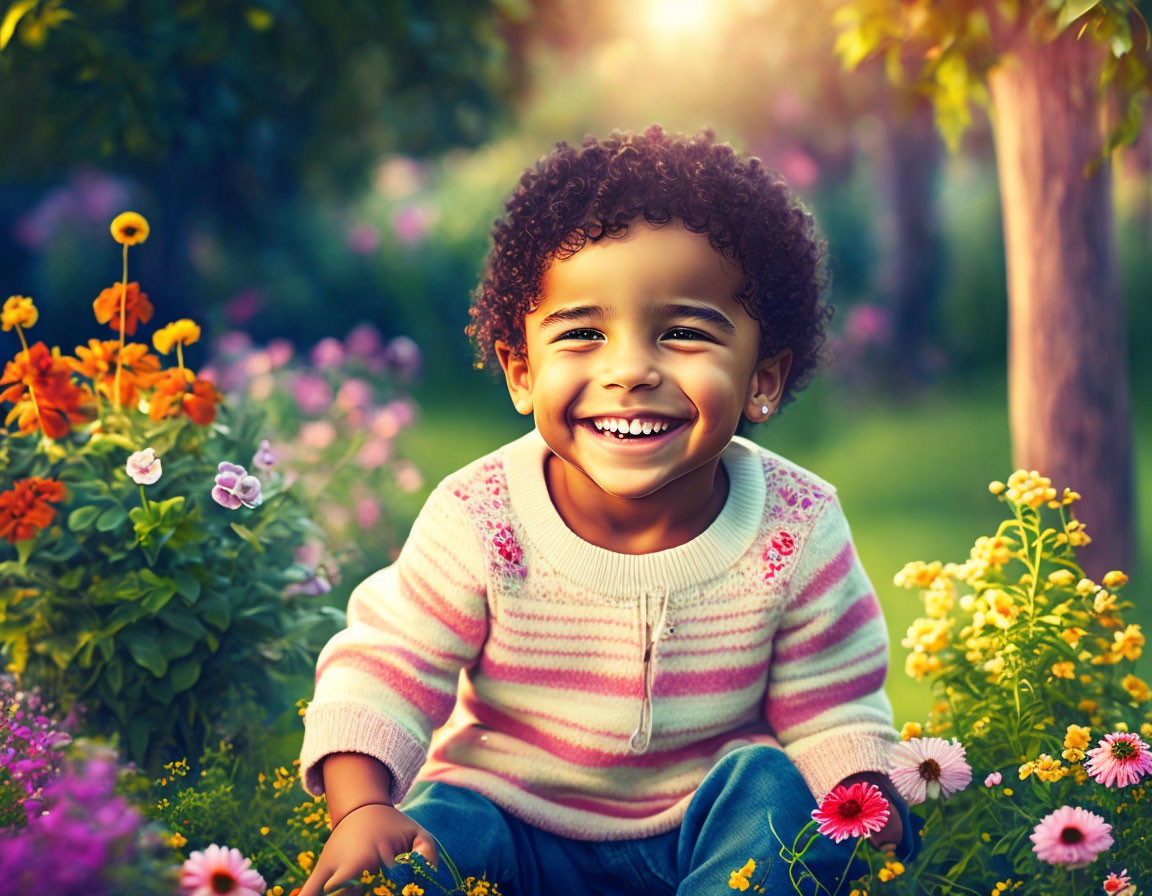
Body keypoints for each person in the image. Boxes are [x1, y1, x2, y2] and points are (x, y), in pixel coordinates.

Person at [297, 127, 915, 896]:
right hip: (513, 825)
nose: (629, 370)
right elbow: (386, 667)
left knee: (776, 789)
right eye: (583, 334)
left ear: (763, 378)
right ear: (522, 373)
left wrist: (867, 789)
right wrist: (361, 807)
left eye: (684, 333)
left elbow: (833, 704)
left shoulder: (795, 526)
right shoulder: (482, 516)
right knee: (438, 833)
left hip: (709, 835)